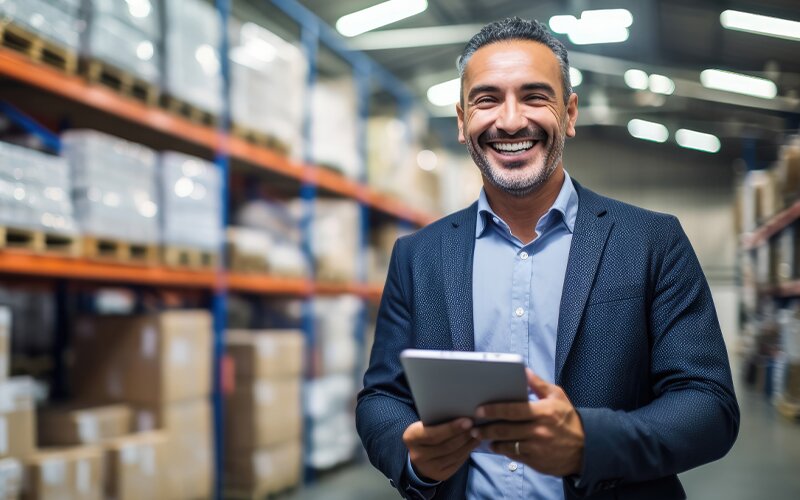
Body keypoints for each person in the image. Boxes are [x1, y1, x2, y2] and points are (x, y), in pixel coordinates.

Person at [356, 17, 739, 500]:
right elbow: (382, 398)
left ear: (569, 113)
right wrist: (411, 455)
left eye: (535, 97)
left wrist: (586, 443)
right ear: (461, 120)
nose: (511, 120)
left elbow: (708, 405)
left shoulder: (652, 241)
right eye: (487, 99)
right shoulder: (418, 256)